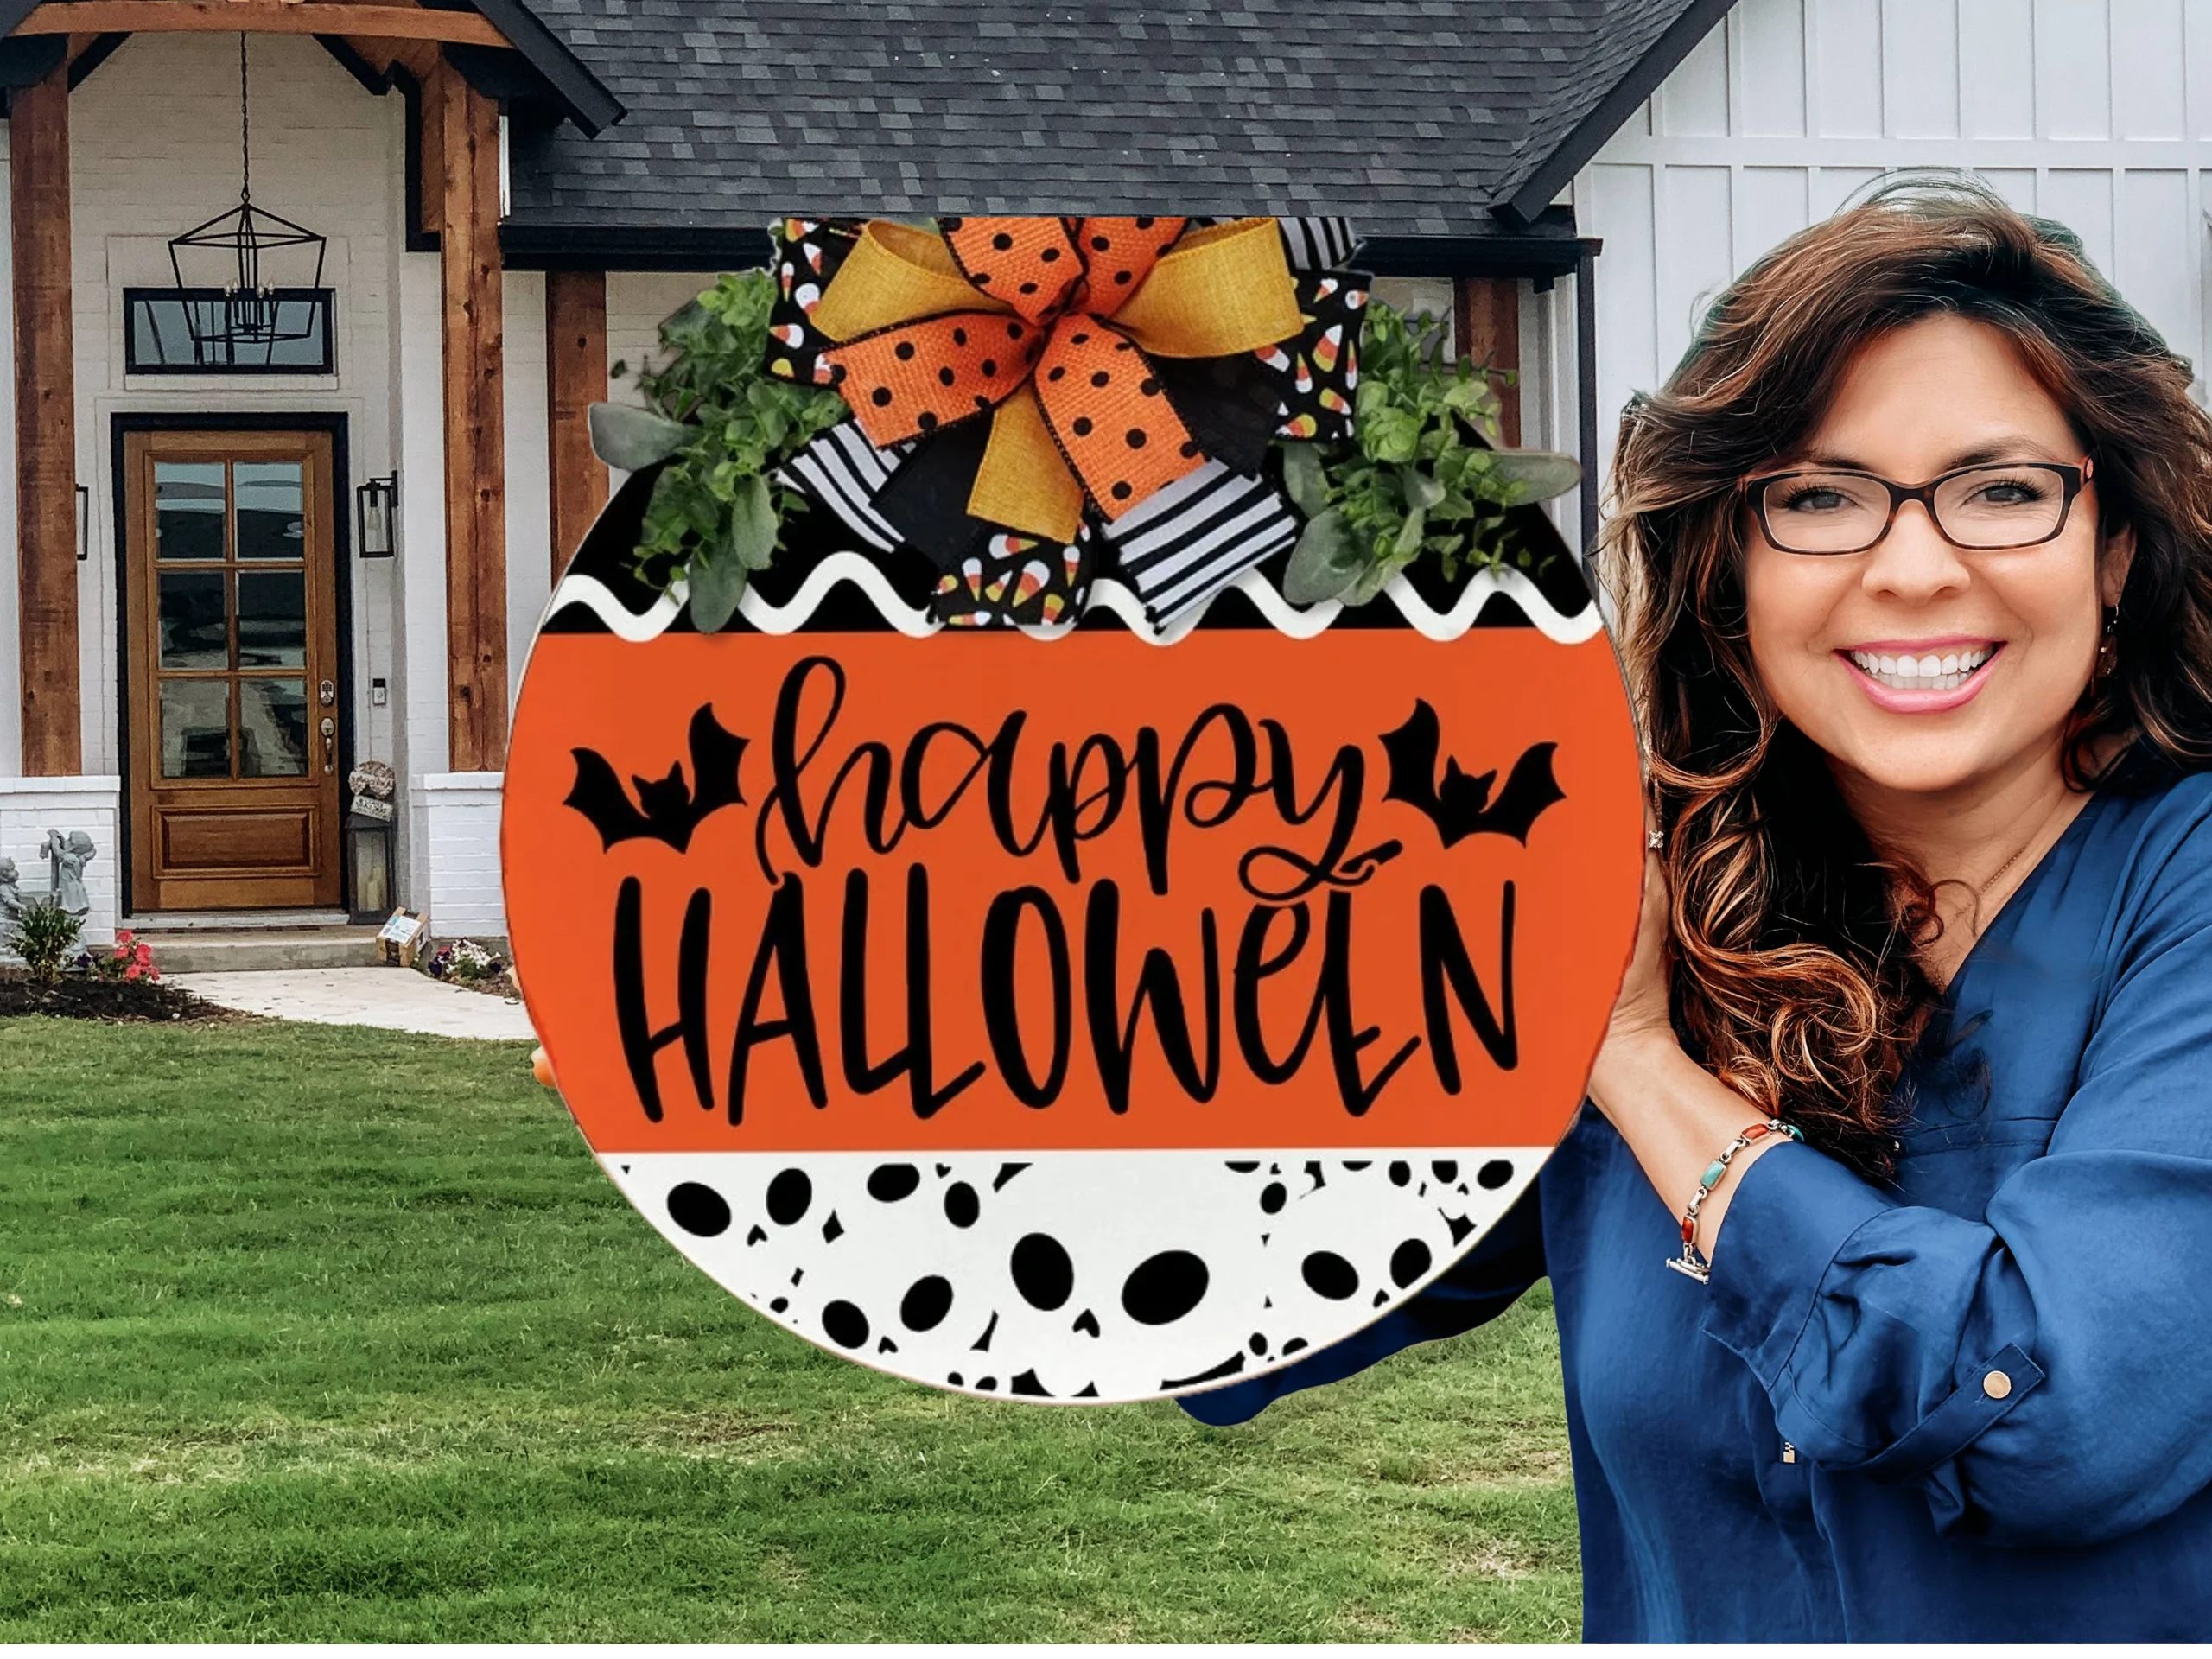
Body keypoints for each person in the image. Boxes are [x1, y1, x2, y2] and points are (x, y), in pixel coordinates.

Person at [1184, 179, 2212, 1642]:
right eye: (1819, 497)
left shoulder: (2182, 894)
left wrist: (1640, 1066)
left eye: (2002, 489)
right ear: (1731, 566)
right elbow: (1248, 1295)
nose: (1914, 568)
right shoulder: (1663, 901)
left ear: (2113, 551)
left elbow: (2049, 1418)